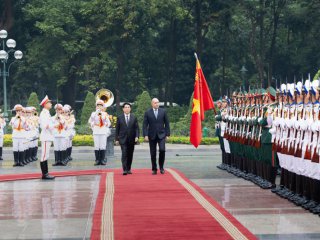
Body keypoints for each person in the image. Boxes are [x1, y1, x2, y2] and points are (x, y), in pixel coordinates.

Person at [143, 98, 170, 175]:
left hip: (161, 134)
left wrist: (167, 134)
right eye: (155, 103)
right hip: (151, 135)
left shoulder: (163, 111)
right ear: (152, 104)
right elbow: (145, 125)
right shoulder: (148, 112)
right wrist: (145, 135)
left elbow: (167, 123)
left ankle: (161, 167)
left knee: (162, 150)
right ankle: (154, 169)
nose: (157, 104)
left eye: (157, 102)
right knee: (153, 153)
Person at [115, 103, 139, 175]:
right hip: (123, 139)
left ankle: (129, 169)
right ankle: (124, 169)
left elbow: (136, 128)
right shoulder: (119, 117)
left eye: (128, 107)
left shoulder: (134, 117)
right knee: (124, 153)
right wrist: (116, 139)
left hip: (131, 139)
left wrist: (137, 136)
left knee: (130, 154)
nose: (127, 108)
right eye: (125, 107)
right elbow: (117, 129)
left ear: (130, 109)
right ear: (123, 109)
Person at [88, 99, 111, 166]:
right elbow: (90, 121)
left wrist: (106, 124)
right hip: (96, 130)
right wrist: (96, 113)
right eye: (98, 106)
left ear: (103, 107)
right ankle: (97, 160)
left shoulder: (104, 114)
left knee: (103, 145)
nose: (99, 107)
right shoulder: (93, 113)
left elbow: (109, 123)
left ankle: (102, 159)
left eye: (101, 106)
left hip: (103, 131)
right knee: (97, 146)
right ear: (96, 106)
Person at [39, 95, 55, 180]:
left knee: (46, 155)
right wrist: (54, 126)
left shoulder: (47, 113)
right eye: (49, 102)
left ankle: (46, 173)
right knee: (44, 155)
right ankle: (44, 174)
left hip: (48, 136)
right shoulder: (43, 113)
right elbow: (45, 126)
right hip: (45, 136)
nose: (51, 104)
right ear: (45, 104)